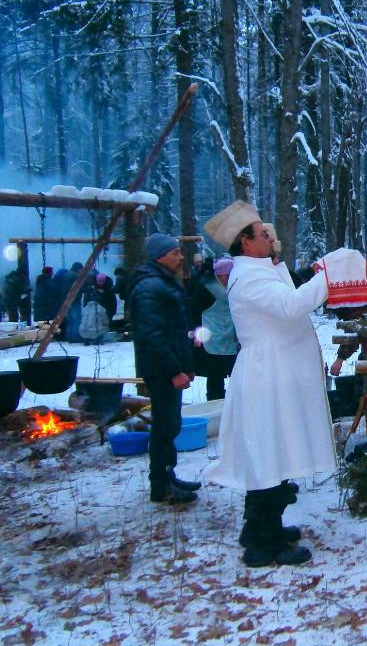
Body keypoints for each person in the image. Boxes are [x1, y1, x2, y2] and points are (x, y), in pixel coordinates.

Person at [203, 200, 338, 567]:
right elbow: (291, 306)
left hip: (275, 372)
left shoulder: (259, 270)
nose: (271, 239)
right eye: (264, 234)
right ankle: (264, 544)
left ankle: (258, 528)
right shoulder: (248, 277)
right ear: (245, 243)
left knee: (270, 450)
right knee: (267, 453)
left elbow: (287, 296)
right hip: (266, 376)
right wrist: (330, 276)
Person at [128, 234, 199, 505]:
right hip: (160, 370)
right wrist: (173, 371)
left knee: (170, 424)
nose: (181, 257)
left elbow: (177, 331)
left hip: (170, 366)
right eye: (175, 253)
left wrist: (186, 366)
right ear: (160, 257)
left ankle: (168, 475)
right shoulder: (149, 288)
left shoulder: (164, 282)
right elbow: (152, 336)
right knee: (164, 426)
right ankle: (161, 484)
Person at [187, 257, 238, 401]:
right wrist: (197, 335)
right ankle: (214, 404)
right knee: (215, 378)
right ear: (221, 275)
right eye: (229, 276)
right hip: (212, 339)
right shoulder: (206, 288)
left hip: (230, 338)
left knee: (236, 375)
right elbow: (193, 312)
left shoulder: (235, 287)